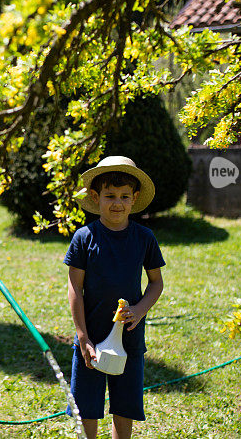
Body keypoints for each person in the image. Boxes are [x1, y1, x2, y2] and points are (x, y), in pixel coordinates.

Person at [64, 156, 165, 439]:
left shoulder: (144, 238)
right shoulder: (84, 237)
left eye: (124, 196)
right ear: (96, 198)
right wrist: (82, 336)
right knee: (86, 404)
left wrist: (141, 309)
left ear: (134, 199)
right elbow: (74, 288)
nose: (117, 203)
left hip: (129, 338)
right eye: (109, 196)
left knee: (125, 404)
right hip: (91, 338)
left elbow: (156, 282)